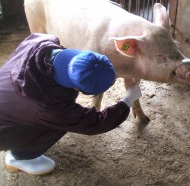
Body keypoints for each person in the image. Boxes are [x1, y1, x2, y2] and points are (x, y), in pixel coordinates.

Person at [0, 33, 142, 175]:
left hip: (7, 98)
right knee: (61, 124)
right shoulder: (49, 106)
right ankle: (19, 157)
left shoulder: (41, 41)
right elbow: (94, 123)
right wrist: (128, 99)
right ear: (76, 88)